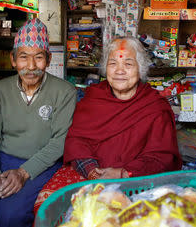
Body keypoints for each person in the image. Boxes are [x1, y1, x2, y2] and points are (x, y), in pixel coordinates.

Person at [34, 37, 182, 213]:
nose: (119, 71)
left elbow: (162, 157)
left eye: (128, 64)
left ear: (140, 70)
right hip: (91, 175)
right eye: (113, 63)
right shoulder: (93, 98)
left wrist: (124, 173)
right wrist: (92, 172)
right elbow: (76, 141)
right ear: (105, 68)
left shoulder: (155, 107)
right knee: (49, 205)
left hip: (138, 180)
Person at [0, 18, 77, 227]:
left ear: (49, 59)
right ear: (13, 59)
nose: (31, 66)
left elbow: (59, 142)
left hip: (41, 164)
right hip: (2, 161)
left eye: (39, 57)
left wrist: (23, 173)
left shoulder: (65, 92)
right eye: (24, 57)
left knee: (11, 215)